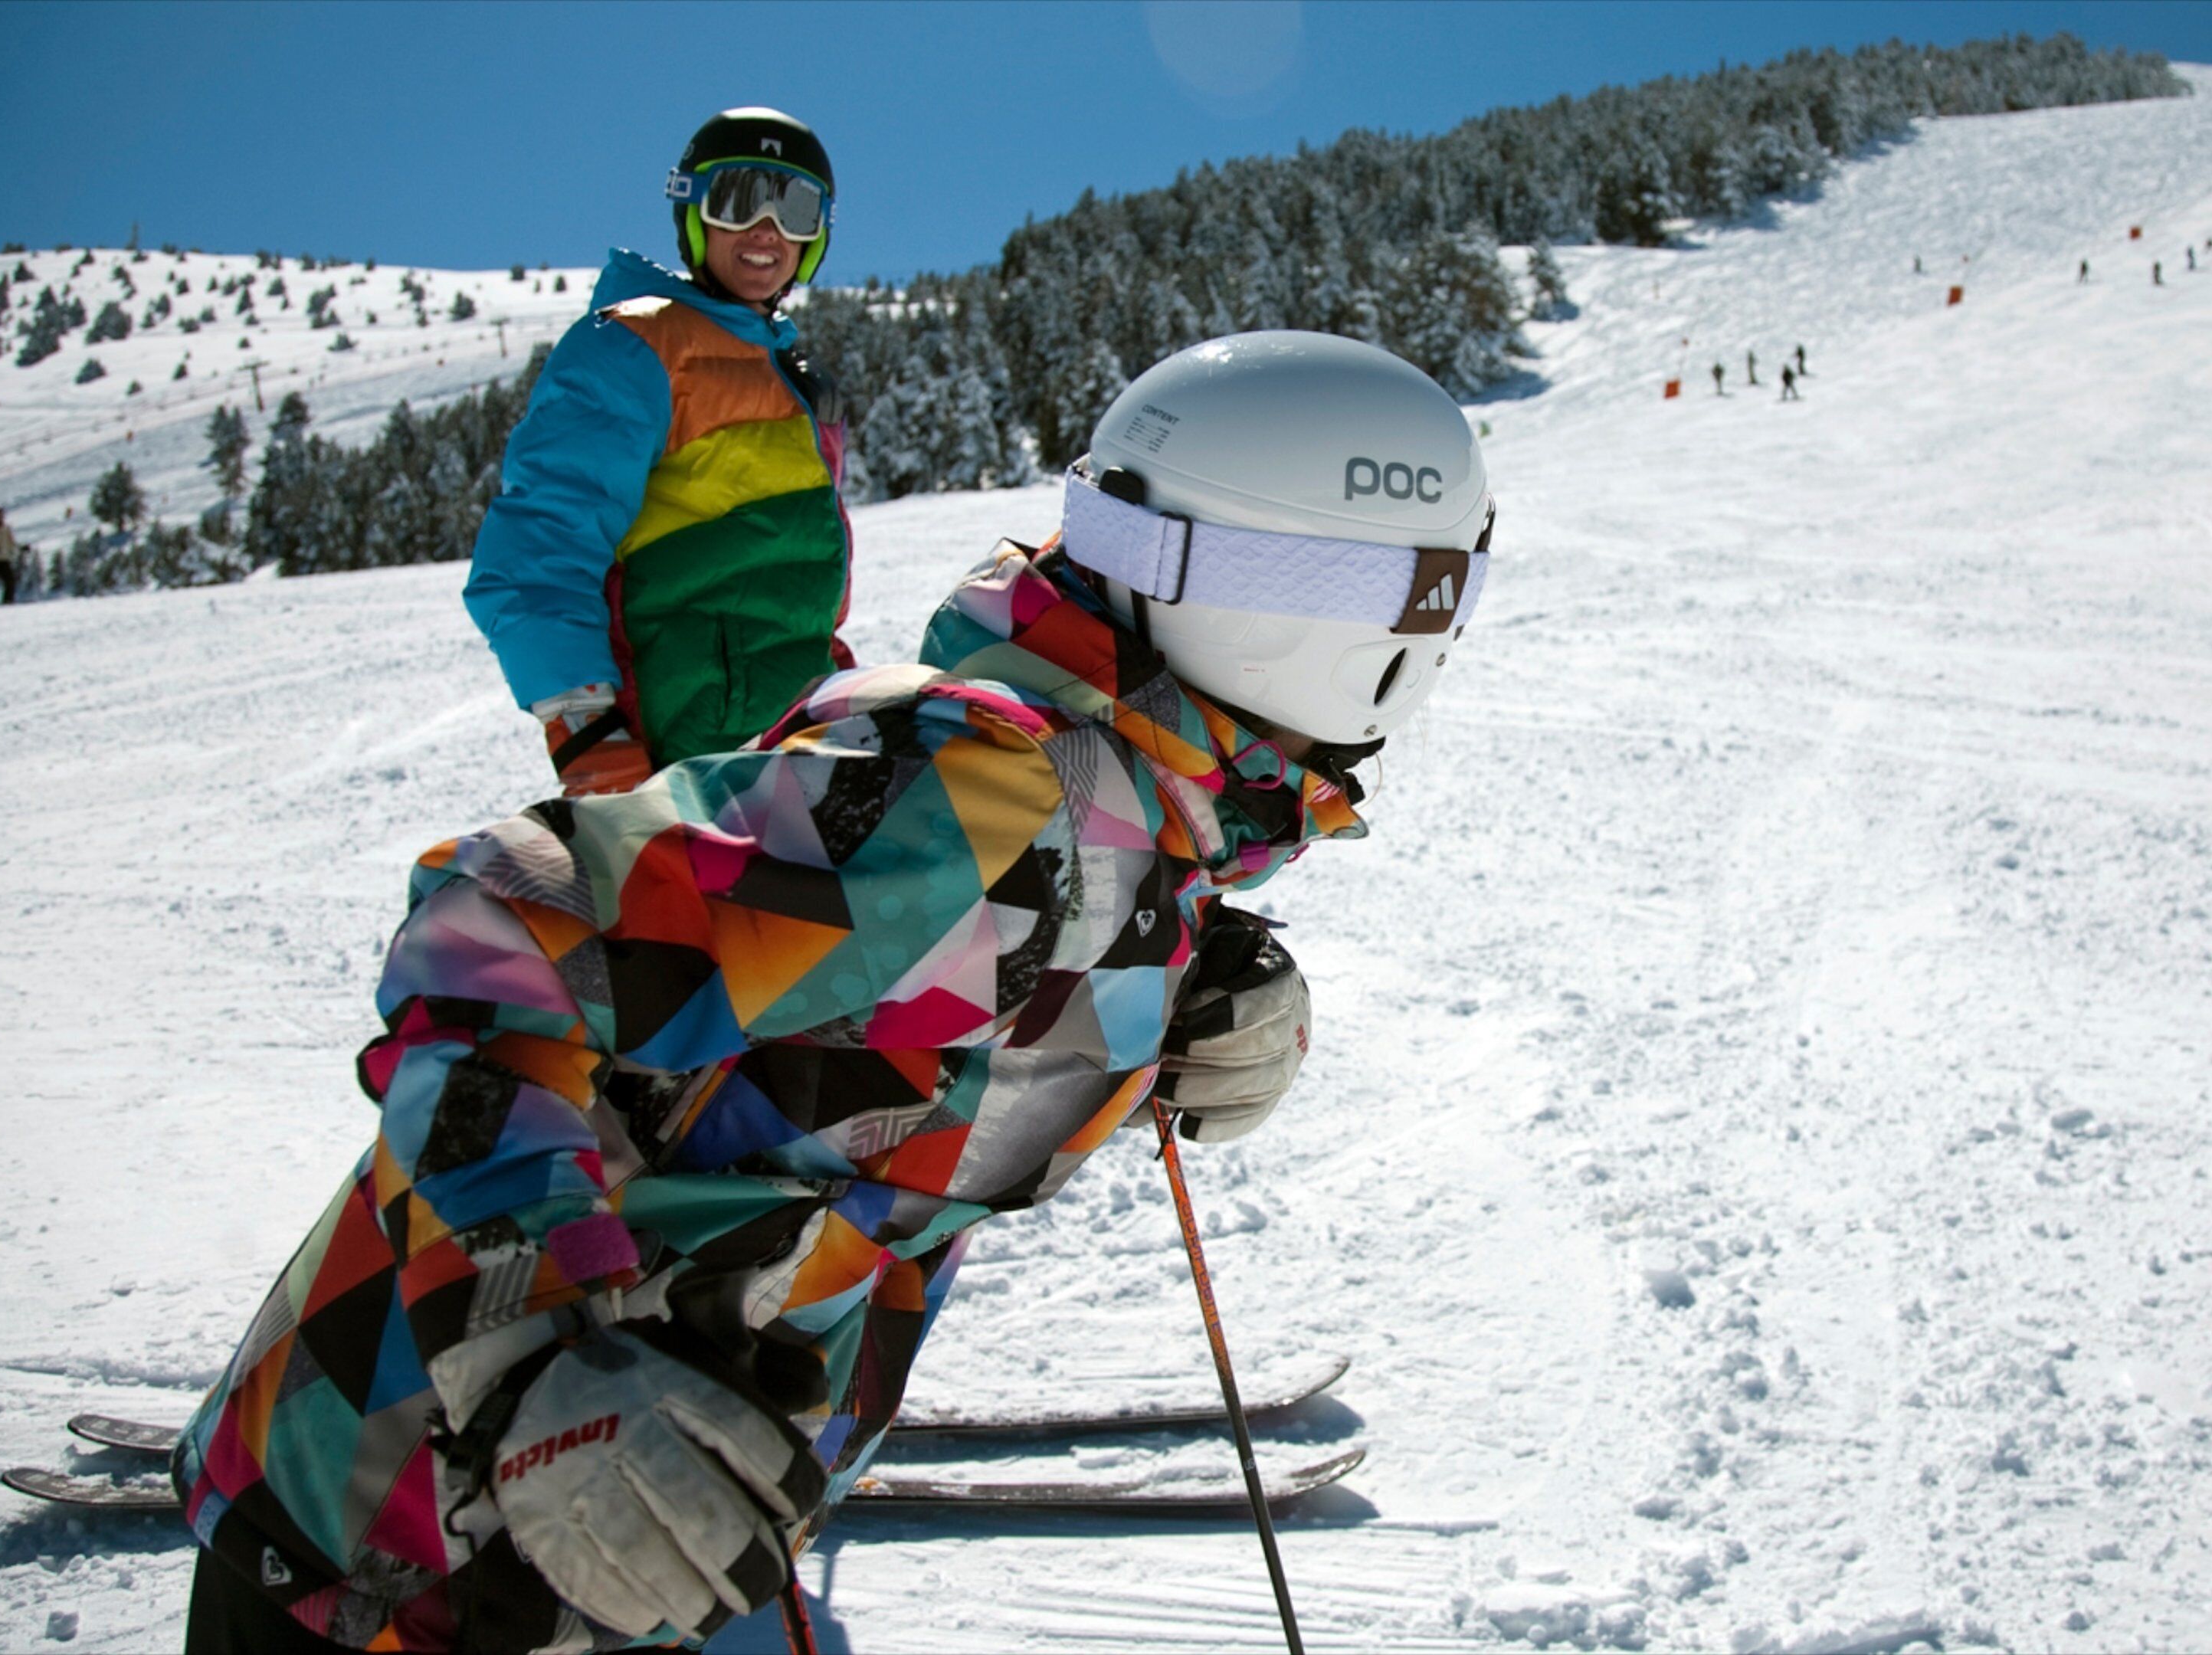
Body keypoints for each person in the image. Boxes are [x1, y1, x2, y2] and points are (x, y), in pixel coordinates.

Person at [172, 332, 1493, 1653]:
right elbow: (494, 929)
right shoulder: (989, 807)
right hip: (413, 1527)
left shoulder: (1134, 813)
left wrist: (1190, 983)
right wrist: (536, 1362)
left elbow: (883, 1021)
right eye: (1429, 597)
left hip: (623, 1533)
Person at [464, 107, 854, 799]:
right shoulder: (633, 348)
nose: (767, 229)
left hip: (797, 738)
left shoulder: (794, 378)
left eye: (795, 207)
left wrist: (833, 675)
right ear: (695, 212)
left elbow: (795, 575)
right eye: (740, 199)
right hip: (680, 756)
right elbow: (538, 547)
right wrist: (584, 727)